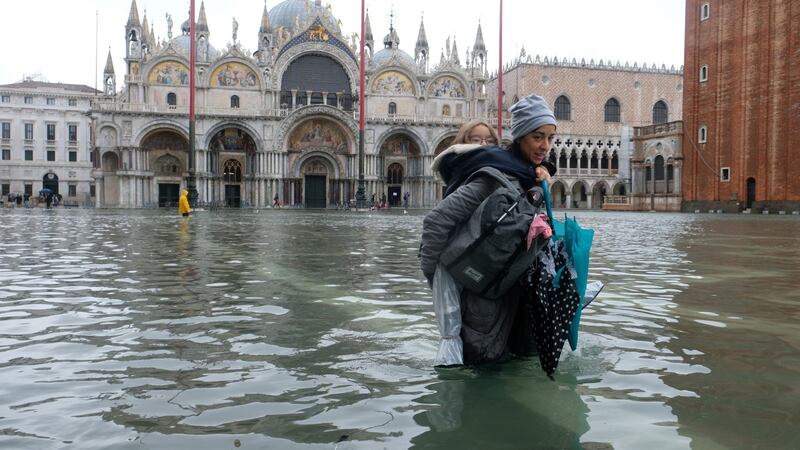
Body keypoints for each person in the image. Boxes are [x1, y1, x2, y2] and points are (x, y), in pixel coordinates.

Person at [419, 95, 557, 365]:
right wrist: (436, 277)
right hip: (481, 305)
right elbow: (436, 222)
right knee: (481, 374)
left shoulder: (527, 175)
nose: (545, 146)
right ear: (519, 137)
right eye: (538, 137)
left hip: (510, 299)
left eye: (550, 138)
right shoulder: (493, 178)